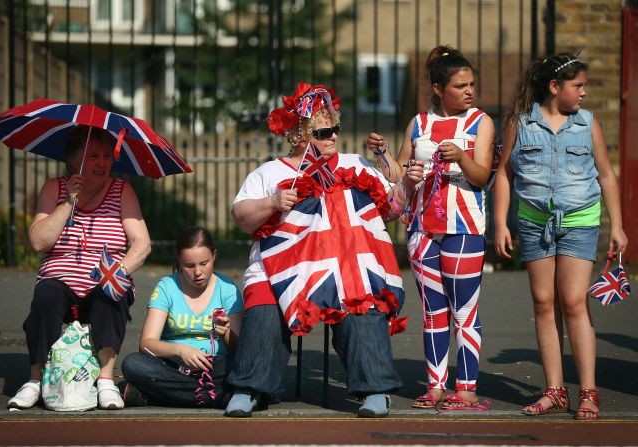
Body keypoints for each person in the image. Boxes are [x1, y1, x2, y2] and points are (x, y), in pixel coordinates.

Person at [225, 81, 418, 418]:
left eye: (335, 129)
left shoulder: (357, 164)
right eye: (324, 130)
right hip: (281, 270)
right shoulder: (269, 173)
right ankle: (249, 388)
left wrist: (409, 185)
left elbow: (389, 209)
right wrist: (272, 202)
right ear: (300, 134)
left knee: (361, 297)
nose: (333, 137)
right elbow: (241, 217)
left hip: (344, 263)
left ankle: (375, 389)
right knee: (265, 311)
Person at [493, 52, 628, 420]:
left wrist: (616, 224)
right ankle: (554, 390)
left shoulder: (588, 124)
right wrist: (502, 222)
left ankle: (588, 391)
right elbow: (504, 174)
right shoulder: (521, 124)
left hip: (580, 220)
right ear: (555, 88)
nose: (583, 93)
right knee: (542, 301)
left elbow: (606, 175)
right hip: (536, 222)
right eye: (577, 86)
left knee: (573, 301)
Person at [366, 45, 495, 409]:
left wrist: (463, 157)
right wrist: (384, 154)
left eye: (472, 84)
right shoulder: (419, 123)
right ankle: (435, 385)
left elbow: (483, 176)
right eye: (460, 85)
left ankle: (466, 387)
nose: (469, 91)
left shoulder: (480, 122)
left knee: (463, 311)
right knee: (433, 312)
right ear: (439, 89)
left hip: (463, 227)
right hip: (422, 228)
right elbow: (400, 176)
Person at [7, 125, 151, 410]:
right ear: (74, 160)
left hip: (104, 277)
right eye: (93, 155)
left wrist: (117, 272)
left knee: (112, 295)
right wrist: (67, 202)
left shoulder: (122, 191)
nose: (102, 163)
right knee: (46, 294)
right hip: (59, 278)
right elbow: (38, 241)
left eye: (107, 156)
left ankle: (106, 381)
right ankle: (36, 379)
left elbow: (142, 244)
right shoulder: (54, 188)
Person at [120, 227, 244, 408]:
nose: (198, 272)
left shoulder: (228, 288)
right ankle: (218, 397)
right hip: (174, 367)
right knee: (132, 364)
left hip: (217, 366)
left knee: (248, 365)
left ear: (214, 256)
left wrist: (226, 334)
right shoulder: (166, 287)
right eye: (189, 266)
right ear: (179, 260)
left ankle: (156, 396)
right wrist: (181, 351)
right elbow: (146, 344)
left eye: (204, 263)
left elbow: (238, 348)